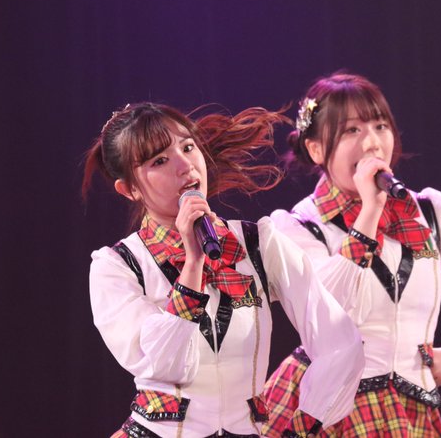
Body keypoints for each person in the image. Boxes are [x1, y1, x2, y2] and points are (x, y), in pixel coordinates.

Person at [262, 73, 441, 437]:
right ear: (317, 149)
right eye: (352, 130)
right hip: (330, 408)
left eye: (380, 126)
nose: (372, 142)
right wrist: (370, 212)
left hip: (409, 408)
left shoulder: (427, 212)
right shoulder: (298, 226)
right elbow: (326, 311)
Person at [82, 102, 364, 438]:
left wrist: (303, 427)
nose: (185, 165)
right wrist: (193, 263)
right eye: (159, 161)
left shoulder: (258, 243)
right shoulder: (118, 266)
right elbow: (165, 365)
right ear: (129, 189)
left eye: (188, 147)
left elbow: (339, 339)